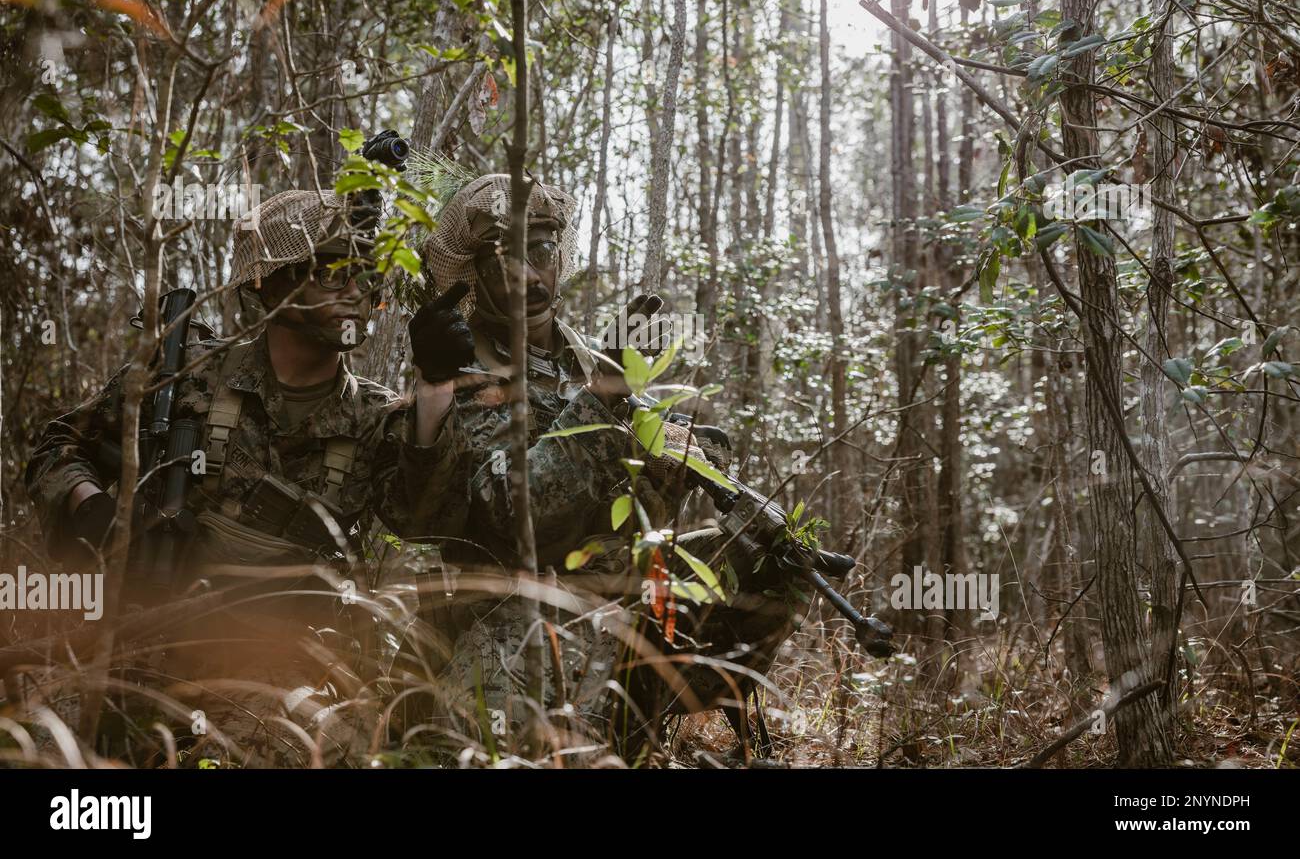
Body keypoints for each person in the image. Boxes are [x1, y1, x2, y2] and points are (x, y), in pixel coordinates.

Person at [24, 165, 473, 766]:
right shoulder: (186, 377)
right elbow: (59, 443)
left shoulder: (375, 417)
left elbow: (426, 516)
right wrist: (89, 503)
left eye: (367, 274)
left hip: (282, 666)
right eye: (332, 270)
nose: (355, 291)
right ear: (269, 283)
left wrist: (436, 388)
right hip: (144, 639)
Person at [414, 173, 814, 764]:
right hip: (509, 606)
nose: (529, 273)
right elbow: (505, 512)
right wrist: (601, 400)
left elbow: (647, 478)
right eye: (505, 259)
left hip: (617, 585)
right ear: (474, 271)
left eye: (543, 250)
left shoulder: (587, 357)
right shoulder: (456, 366)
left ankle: (646, 722)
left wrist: (697, 467)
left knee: (774, 556)